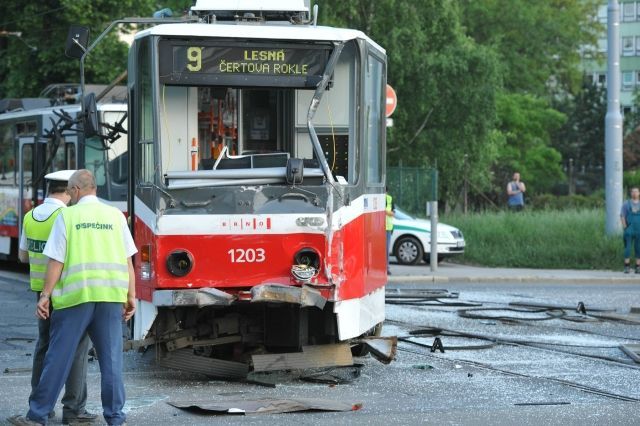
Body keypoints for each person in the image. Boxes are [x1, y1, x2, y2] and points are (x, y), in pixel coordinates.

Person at [8, 169, 137, 426]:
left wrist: (45, 296)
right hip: (110, 297)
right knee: (111, 361)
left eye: (70, 190)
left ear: (76, 190)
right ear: (95, 189)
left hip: (74, 299)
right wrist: (130, 296)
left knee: (58, 358)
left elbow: (56, 261)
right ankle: (115, 418)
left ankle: (38, 415)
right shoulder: (115, 217)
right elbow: (127, 261)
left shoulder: (67, 216)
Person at [17, 170, 97, 425]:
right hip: (65, 292)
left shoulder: (31, 216)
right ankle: (74, 408)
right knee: (76, 349)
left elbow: (22, 257)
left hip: (39, 292)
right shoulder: (66, 216)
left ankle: (39, 404)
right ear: (70, 190)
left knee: (44, 347)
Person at [621, 187, 640, 273]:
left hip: (639, 229)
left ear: (639, 193)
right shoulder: (626, 204)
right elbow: (622, 216)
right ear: (631, 193)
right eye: (632, 192)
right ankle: (627, 267)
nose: (634, 193)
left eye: (636, 192)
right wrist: (625, 227)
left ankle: (638, 267)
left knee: (638, 247)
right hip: (629, 228)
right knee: (627, 247)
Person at [386, 188, 395, 275]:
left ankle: (386, 268)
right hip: (378, 229)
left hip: (388, 228)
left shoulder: (389, 199)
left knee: (386, 250)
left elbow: (393, 213)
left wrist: (386, 212)